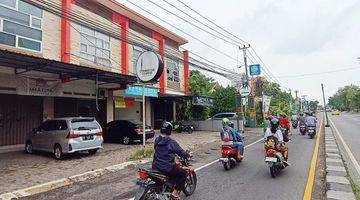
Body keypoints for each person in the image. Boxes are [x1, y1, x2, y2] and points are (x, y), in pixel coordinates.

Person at [152, 121, 190, 200]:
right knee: (183, 173)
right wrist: (187, 155)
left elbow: (157, 149)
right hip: (167, 168)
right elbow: (180, 152)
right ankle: (175, 193)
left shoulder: (157, 140)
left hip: (155, 166)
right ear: (170, 131)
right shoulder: (171, 142)